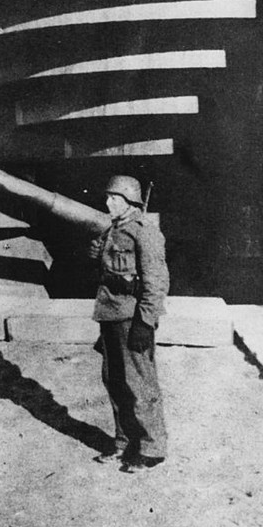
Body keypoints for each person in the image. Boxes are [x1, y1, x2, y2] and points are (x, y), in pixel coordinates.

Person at [89, 175, 169, 473]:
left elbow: (156, 282)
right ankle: (124, 442)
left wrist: (145, 323)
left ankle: (151, 449)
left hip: (131, 318)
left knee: (139, 382)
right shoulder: (113, 229)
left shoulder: (144, 233)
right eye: (107, 198)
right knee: (114, 381)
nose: (107, 203)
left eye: (114, 198)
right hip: (109, 314)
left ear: (130, 201)